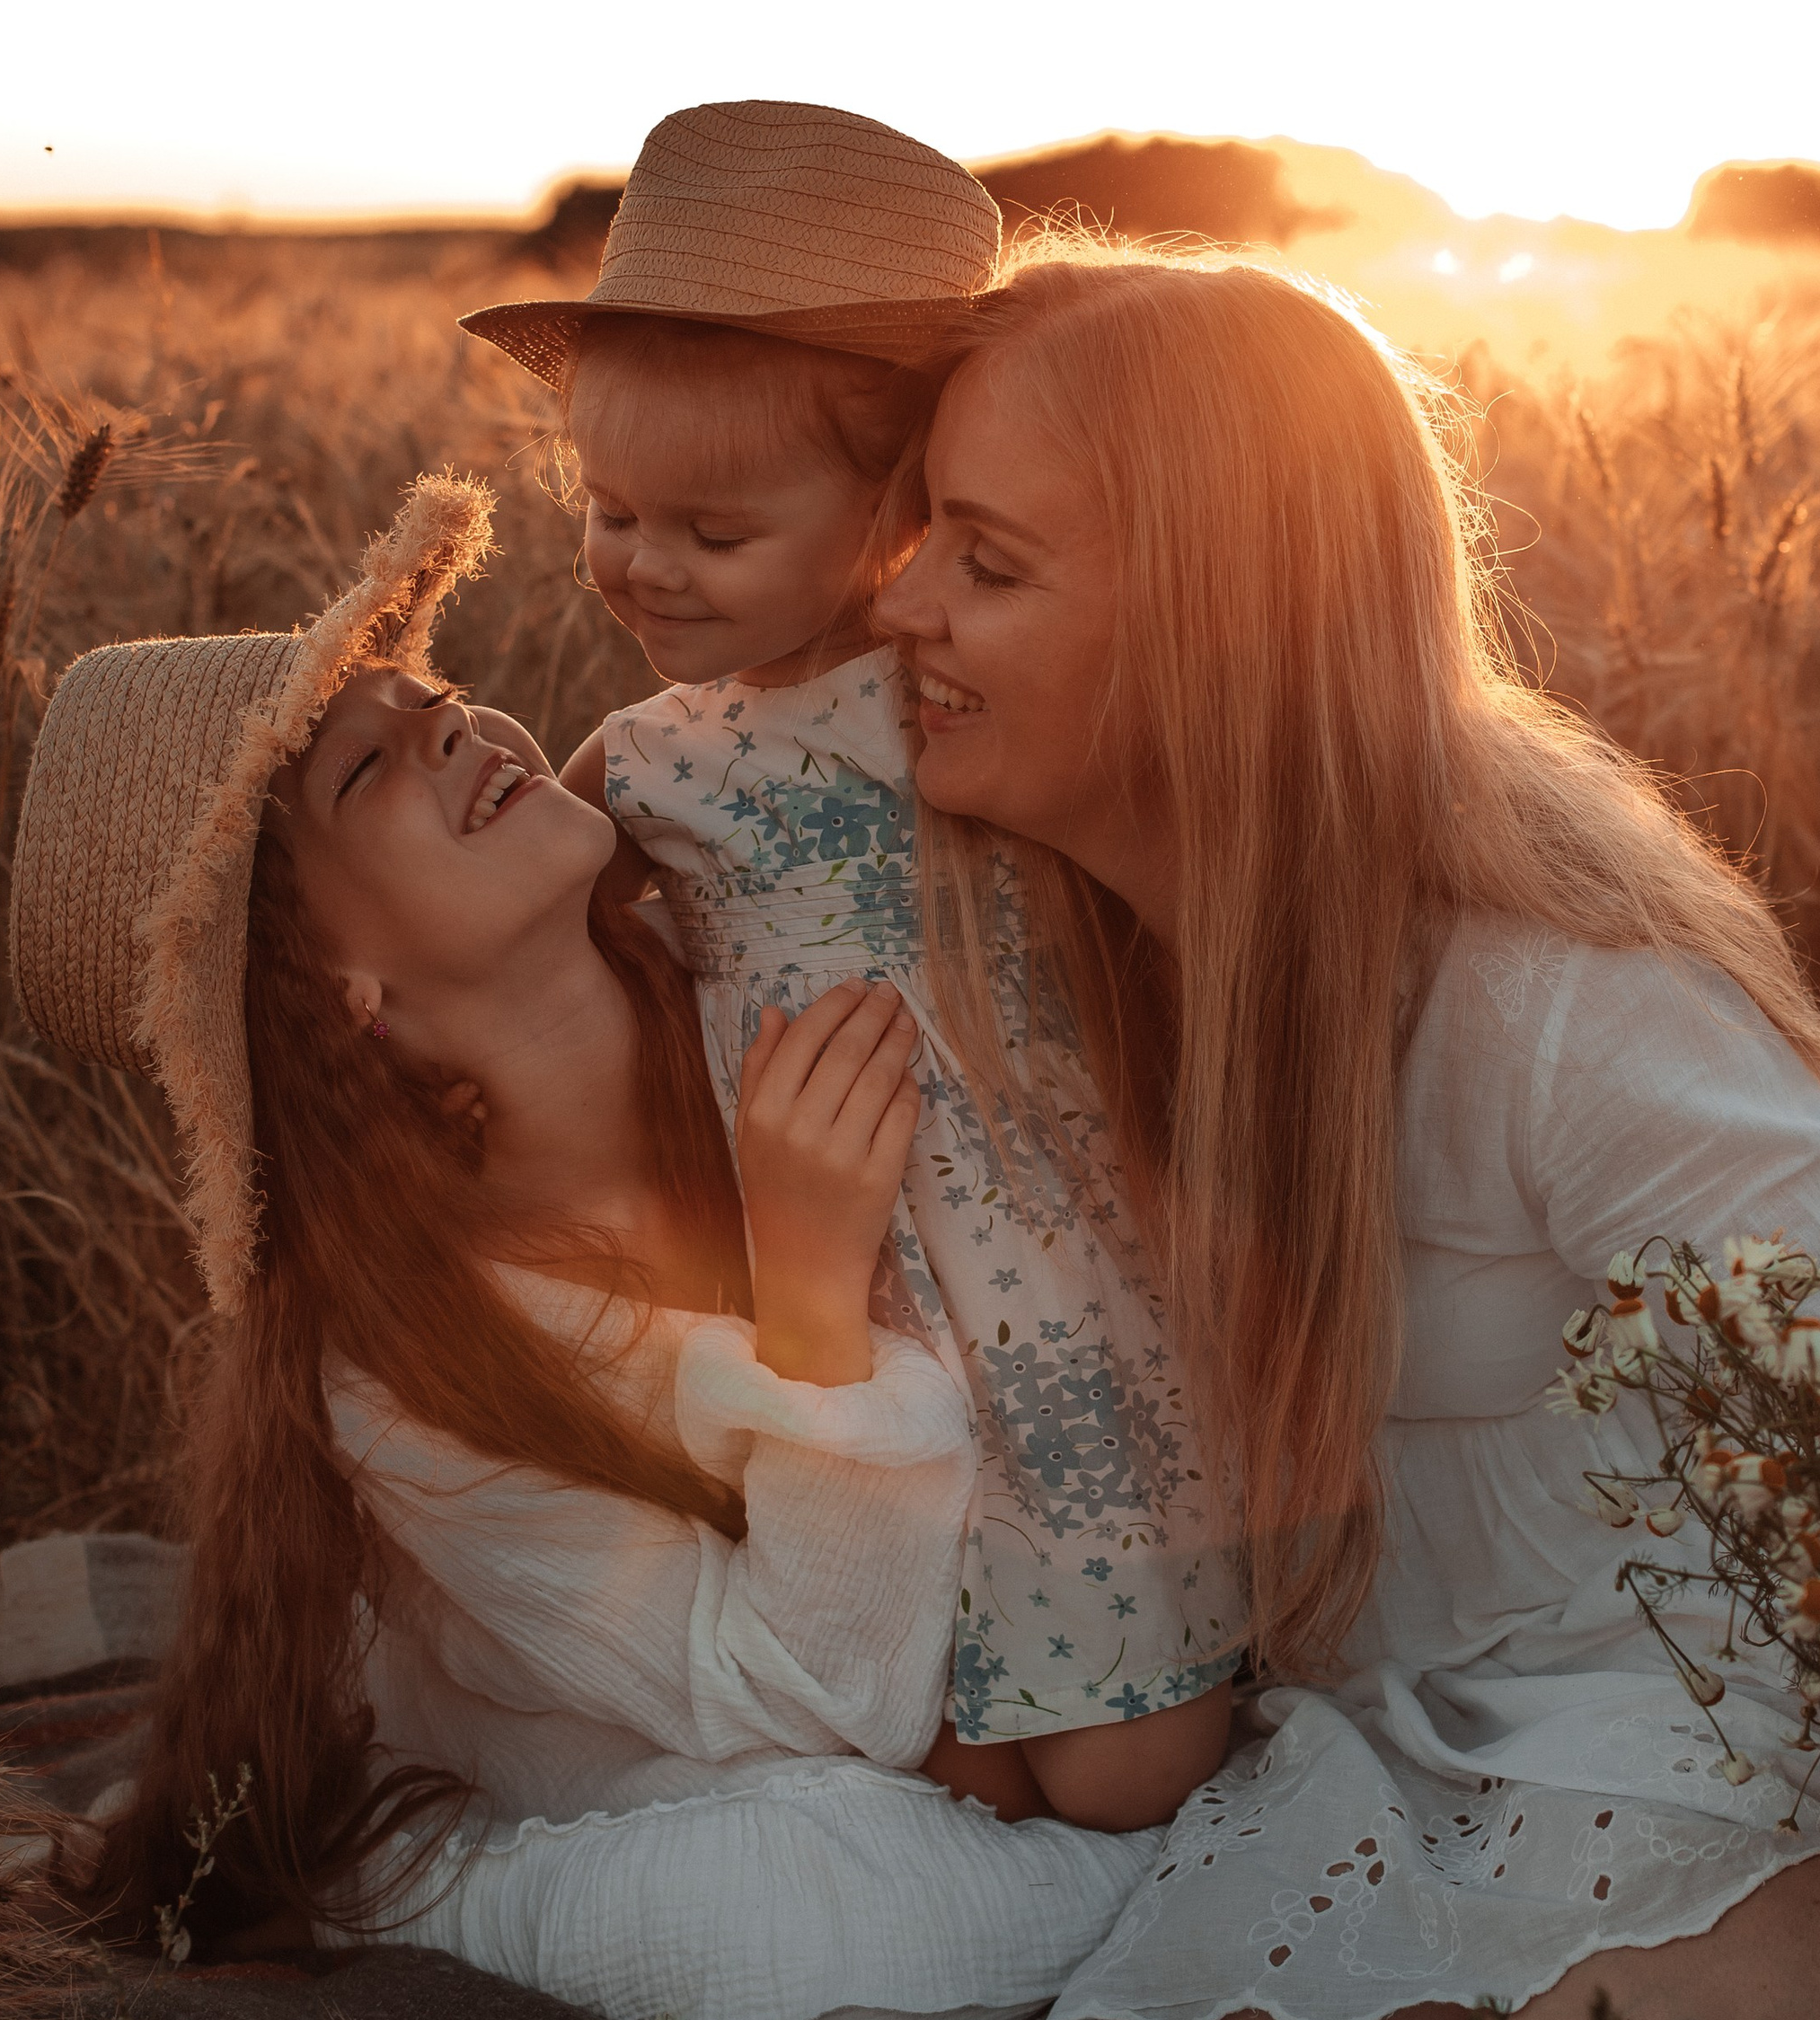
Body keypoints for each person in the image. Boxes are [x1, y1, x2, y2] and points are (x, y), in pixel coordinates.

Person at [869, 241, 1820, 2020]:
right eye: (922, 530)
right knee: (1260, 2019)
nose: (901, 600)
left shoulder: (1546, 1007)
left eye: (985, 562)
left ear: (1216, 625)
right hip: (1545, 1652)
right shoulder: (1073, 970)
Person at [10, 473, 1150, 2020]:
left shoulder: (748, 948)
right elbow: (821, 1707)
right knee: (800, 1932)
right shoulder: (405, 1368)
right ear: (338, 989)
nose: (462, 727)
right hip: (688, 1769)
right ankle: (423, 1889)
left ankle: (1161, 1866)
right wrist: (812, 1298)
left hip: (986, 1711)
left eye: (436, 698)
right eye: (370, 768)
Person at [463, 100, 1242, 1820]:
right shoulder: (648, 762)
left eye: (711, 533)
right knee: (945, 1738)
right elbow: (530, 920)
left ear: (897, 507)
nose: (643, 567)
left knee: (1133, 1758)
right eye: (607, 512)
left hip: (1042, 1226)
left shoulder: (969, 684)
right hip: (837, 1246)